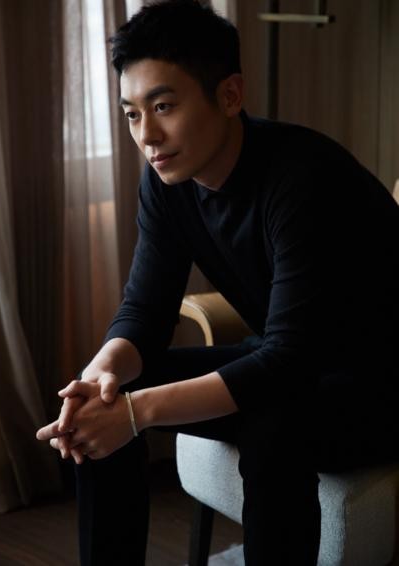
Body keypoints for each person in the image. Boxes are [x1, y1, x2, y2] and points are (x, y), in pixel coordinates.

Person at [36, 1, 399, 564]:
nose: (147, 135)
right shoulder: (167, 181)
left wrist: (139, 413)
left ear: (230, 95)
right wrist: (100, 376)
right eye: (131, 114)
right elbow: (145, 310)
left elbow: (287, 362)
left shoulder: (304, 178)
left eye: (164, 106)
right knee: (102, 401)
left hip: (379, 385)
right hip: (295, 364)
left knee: (274, 421)